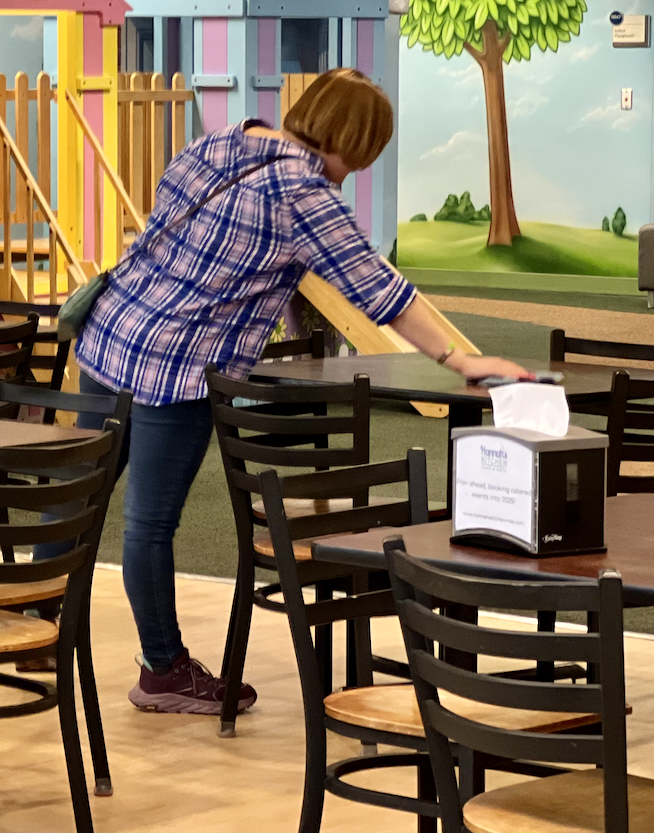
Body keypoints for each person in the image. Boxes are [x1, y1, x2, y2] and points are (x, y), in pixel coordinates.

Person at [71, 69, 531, 718]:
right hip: (176, 363)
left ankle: (36, 625)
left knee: (80, 497)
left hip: (111, 331)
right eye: (365, 152)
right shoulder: (302, 191)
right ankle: (163, 669)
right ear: (352, 140)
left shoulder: (222, 143)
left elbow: (180, 223)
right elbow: (379, 290)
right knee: (150, 524)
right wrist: (463, 358)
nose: (360, 168)